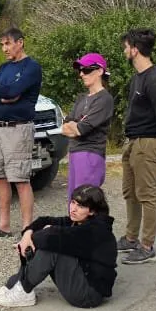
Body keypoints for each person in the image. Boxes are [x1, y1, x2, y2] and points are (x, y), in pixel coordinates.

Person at [0, 185, 117, 308]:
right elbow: (43, 221)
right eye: (73, 202)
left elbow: (51, 237)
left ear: (92, 211)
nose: (73, 209)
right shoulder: (79, 221)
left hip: (89, 293)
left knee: (52, 247)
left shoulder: (96, 230)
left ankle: (24, 291)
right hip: (83, 275)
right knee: (43, 241)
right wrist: (27, 235)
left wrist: (30, 239)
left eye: (80, 206)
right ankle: (14, 285)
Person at [116, 29, 156, 264]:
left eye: (126, 46)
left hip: (148, 142)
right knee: (130, 192)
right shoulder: (136, 78)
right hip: (132, 142)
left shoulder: (155, 79)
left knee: (146, 195)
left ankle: (147, 246)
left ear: (135, 49)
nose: (124, 51)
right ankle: (130, 238)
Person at [0, 28, 43, 238]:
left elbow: (15, 92)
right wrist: (4, 95)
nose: (4, 49)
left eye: (7, 44)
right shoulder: (4, 67)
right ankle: (4, 224)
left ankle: (27, 229)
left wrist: (7, 92)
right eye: (2, 45)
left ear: (20, 42)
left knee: (20, 179)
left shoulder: (31, 67)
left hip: (19, 128)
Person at [62, 53, 113, 201]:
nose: (82, 74)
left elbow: (80, 129)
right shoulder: (81, 98)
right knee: (73, 201)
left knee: (85, 202)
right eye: (80, 71)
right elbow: (65, 127)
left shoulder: (104, 99)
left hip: (90, 154)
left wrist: (75, 126)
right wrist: (73, 125)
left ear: (100, 71)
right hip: (74, 152)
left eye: (86, 70)